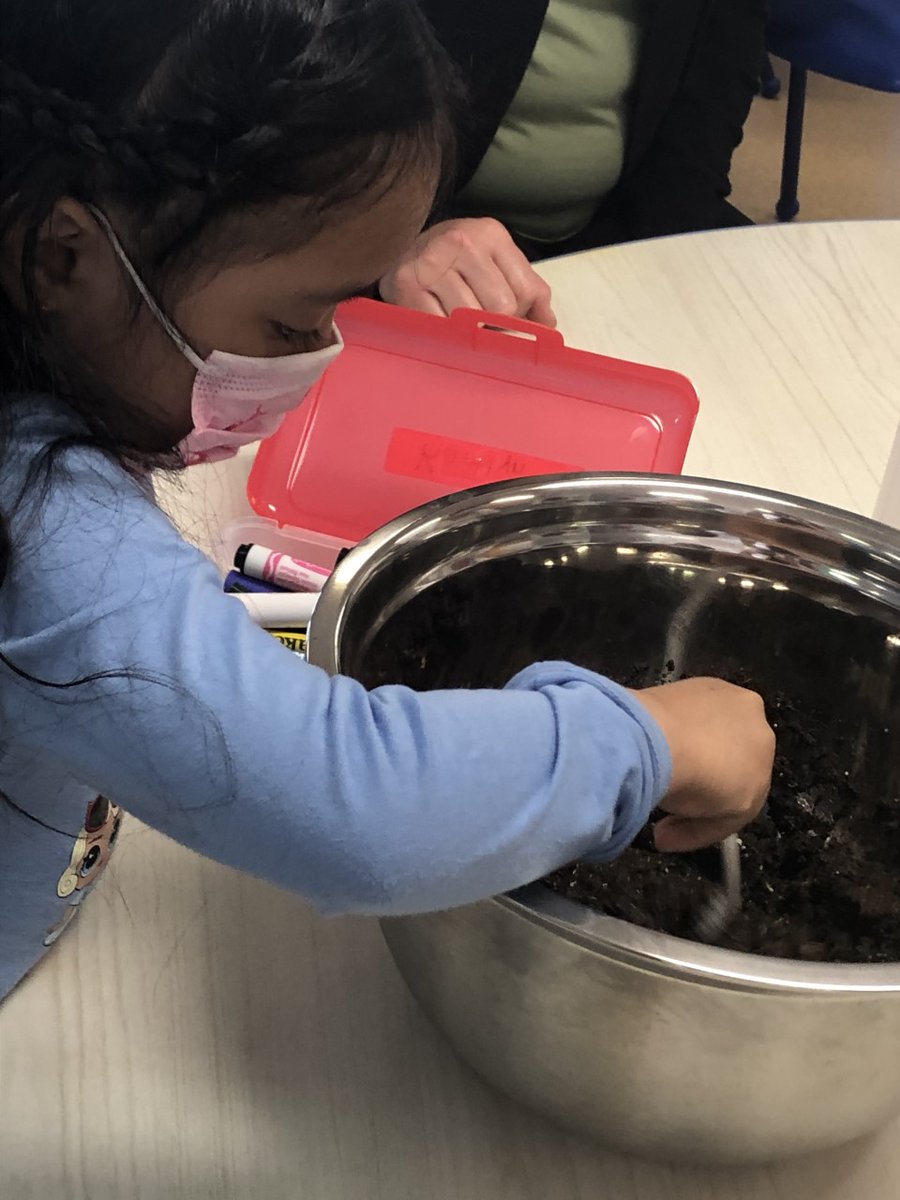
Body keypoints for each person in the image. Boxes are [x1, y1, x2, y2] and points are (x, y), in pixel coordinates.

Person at [0, 0, 774, 1002]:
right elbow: (349, 803)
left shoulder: (53, 336)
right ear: (66, 255)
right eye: (291, 324)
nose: (319, 364)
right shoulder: (41, 531)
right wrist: (645, 741)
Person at [379, 0, 765, 324]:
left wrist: (635, 268)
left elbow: (704, 127)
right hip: (412, 218)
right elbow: (336, 77)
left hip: (619, 229)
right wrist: (394, 233)